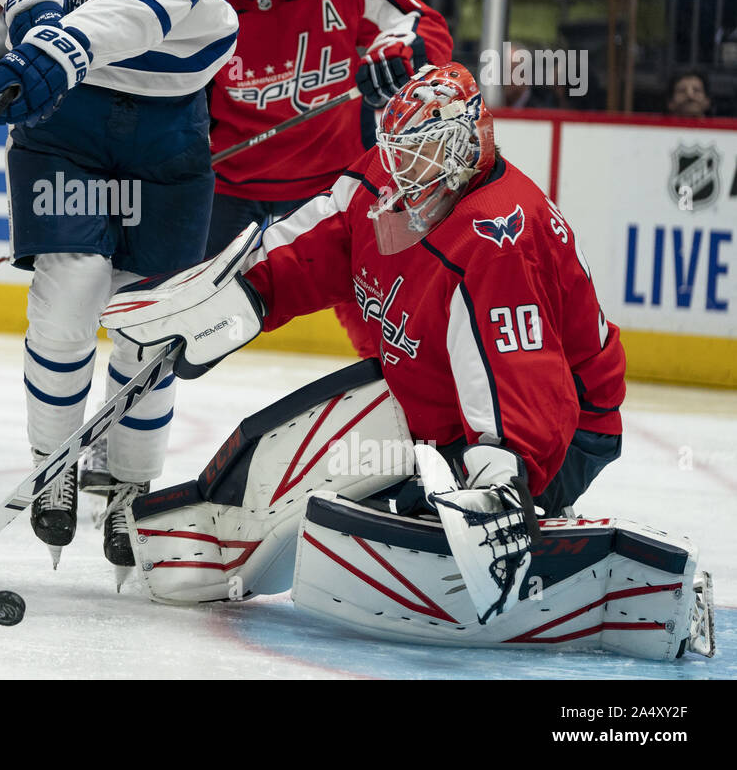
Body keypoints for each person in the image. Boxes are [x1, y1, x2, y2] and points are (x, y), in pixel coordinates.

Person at [102, 62, 628, 620]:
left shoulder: (495, 235)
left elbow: (519, 376)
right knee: (264, 459)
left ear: (463, 143)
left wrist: (502, 480)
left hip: (558, 434)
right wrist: (232, 298)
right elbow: (318, 239)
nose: (400, 170)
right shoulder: (390, 175)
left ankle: (502, 503)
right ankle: (185, 552)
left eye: (419, 151)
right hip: (434, 396)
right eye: (396, 149)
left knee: (353, 507)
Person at [0, 0, 245, 570]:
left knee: (148, 325)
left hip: (168, 120)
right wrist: (30, 14)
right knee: (70, 294)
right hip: (74, 119)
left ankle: (131, 487)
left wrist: (57, 46)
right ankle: (52, 466)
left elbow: (150, 0)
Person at [204, 0, 454, 352]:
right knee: (185, 311)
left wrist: (394, 58)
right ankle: (136, 413)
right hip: (226, 182)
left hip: (330, 183)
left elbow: (424, 26)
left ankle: (411, 409)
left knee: (381, 315)